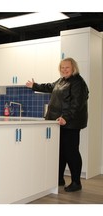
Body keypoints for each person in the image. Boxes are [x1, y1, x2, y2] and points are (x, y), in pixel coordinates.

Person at [26, 57, 89, 192]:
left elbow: (78, 103)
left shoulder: (78, 82)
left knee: (71, 152)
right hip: (58, 122)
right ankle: (59, 179)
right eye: (62, 67)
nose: (64, 70)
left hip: (70, 123)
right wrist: (34, 85)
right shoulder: (61, 81)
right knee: (60, 152)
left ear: (73, 68)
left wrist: (66, 117)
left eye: (67, 67)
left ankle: (76, 182)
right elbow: (49, 86)